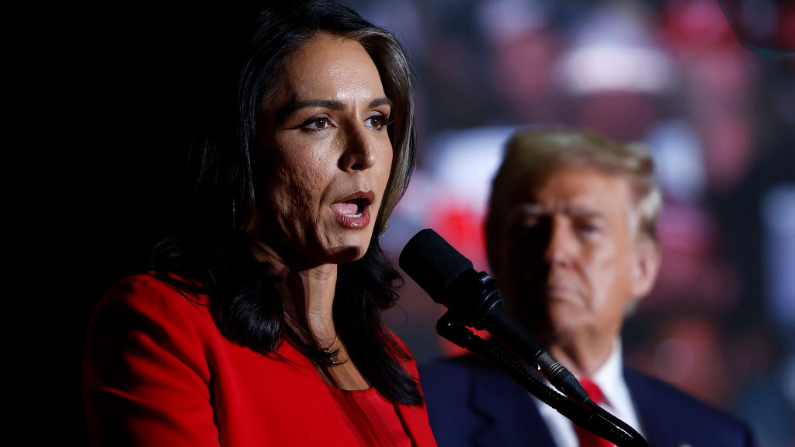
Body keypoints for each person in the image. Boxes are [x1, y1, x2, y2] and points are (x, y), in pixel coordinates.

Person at [81, 2, 438, 446]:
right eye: (318, 122)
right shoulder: (163, 323)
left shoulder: (392, 360)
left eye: (376, 120)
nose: (364, 154)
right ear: (240, 151)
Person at [418, 128, 757, 447]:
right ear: (495, 251)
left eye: (587, 228)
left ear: (642, 266)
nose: (556, 251)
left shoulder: (720, 437)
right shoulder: (419, 414)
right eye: (531, 224)